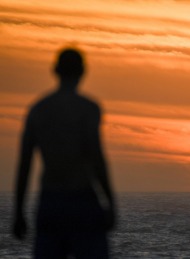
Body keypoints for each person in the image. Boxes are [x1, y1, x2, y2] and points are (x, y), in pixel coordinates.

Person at [12, 48, 116, 258]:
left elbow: (25, 164)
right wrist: (111, 202)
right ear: (83, 72)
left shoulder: (38, 110)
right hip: (83, 200)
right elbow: (96, 158)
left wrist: (18, 212)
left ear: (55, 70)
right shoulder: (88, 109)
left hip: (50, 201)